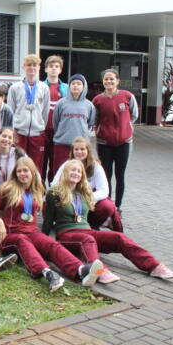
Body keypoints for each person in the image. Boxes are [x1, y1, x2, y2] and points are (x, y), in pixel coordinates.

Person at [43, 159, 173, 283]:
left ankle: (154, 266)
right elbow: (48, 220)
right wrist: (44, 244)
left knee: (118, 237)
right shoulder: (54, 193)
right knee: (87, 239)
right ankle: (100, 271)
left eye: (79, 171)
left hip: (86, 230)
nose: (75, 173)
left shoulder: (84, 193)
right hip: (66, 234)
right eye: (72, 170)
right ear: (66, 172)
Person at [0, 157, 103, 292]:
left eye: (25, 171)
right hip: (11, 234)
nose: (22, 174)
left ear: (33, 172)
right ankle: (48, 274)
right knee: (22, 241)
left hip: (31, 231)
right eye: (19, 171)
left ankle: (80, 270)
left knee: (51, 244)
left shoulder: (36, 190)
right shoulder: (8, 189)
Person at [51, 137, 123, 232]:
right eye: (76, 149)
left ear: (88, 150)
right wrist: (66, 196)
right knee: (48, 203)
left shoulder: (96, 166)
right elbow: (54, 185)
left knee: (107, 206)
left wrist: (85, 198)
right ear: (72, 151)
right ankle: (66, 223)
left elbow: (104, 191)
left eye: (82, 149)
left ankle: (93, 225)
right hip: (70, 199)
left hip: (89, 200)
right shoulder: (66, 165)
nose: (79, 152)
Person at [92, 68, 138, 210]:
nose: (109, 81)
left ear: (118, 81)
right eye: (106, 79)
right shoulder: (97, 100)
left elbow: (134, 115)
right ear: (103, 82)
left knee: (120, 174)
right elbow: (94, 119)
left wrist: (127, 127)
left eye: (112, 79)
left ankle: (118, 206)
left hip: (124, 142)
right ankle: (108, 204)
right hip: (104, 143)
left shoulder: (127, 96)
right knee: (106, 174)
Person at [7, 54, 50, 174]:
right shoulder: (15, 88)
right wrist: (13, 129)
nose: (32, 68)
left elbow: (45, 112)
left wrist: (40, 127)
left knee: (36, 167)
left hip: (37, 134)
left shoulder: (44, 88)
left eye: (34, 65)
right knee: (18, 165)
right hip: (19, 133)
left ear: (39, 67)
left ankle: (35, 191)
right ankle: (17, 191)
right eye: (29, 65)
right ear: (23, 67)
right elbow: (11, 111)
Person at [51, 74, 96, 173]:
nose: (75, 86)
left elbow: (90, 124)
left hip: (81, 147)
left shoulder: (89, 105)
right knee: (60, 172)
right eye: (73, 83)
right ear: (69, 86)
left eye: (79, 84)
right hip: (62, 144)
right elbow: (55, 122)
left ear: (84, 87)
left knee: (79, 172)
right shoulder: (61, 103)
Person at [43, 55, 68, 183]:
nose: (53, 69)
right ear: (46, 69)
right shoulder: (40, 86)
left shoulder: (66, 88)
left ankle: (53, 193)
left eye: (56, 66)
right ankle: (39, 193)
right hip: (42, 131)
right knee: (41, 163)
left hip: (59, 133)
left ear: (60, 70)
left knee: (56, 165)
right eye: (51, 66)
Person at [0, 127, 26, 202]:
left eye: (10, 137)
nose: (6, 139)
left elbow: (32, 172)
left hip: (15, 198)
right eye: (4, 136)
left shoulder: (19, 154)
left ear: (13, 141)